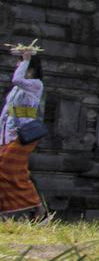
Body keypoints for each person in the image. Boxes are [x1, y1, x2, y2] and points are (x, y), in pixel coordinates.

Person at [0, 49, 44, 219]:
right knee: (12, 170)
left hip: (25, 134)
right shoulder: (16, 90)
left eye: (21, 63)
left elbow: (17, 78)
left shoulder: (35, 84)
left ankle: (37, 207)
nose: (17, 65)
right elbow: (6, 113)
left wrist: (26, 58)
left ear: (30, 69)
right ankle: (26, 209)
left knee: (6, 167)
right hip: (9, 134)